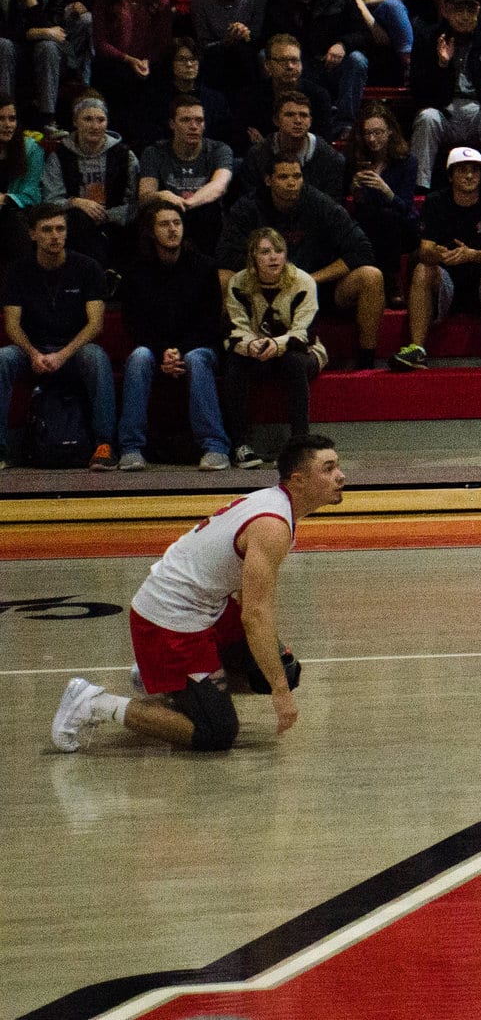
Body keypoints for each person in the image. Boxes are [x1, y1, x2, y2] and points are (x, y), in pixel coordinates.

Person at [49, 435, 345, 754]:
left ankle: (171, 683)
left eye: (337, 466)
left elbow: (248, 596)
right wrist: (280, 693)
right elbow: (255, 615)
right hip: (169, 617)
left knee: (284, 668)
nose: (340, 475)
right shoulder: (272, 525)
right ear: (298, 481)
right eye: (328, 469)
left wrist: (272, 669)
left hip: (208, 607)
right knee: (215, 733)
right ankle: (93, 703)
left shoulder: (276, 504)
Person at [217, 152, 386, 370]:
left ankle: (366, 363)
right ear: (268, 180)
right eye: (283, 177)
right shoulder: (247, 208)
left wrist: (307, 279)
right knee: (223, 277)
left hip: (317, 287)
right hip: (262, 290)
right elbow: (225, 255)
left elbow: (362, 250)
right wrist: (266, 274)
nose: (291, 183)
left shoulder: (319, 203)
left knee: (371, 276)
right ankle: (229, 353)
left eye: (296, 177)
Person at [395, 147, 481, 371]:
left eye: (474, 171)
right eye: (462, 171)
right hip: (446, 283)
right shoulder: (435, 202)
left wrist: (472, 254)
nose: (469, 176)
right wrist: (438, 254)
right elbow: (424, 249)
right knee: (423, 267)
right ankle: (417, 350)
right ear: (450, 176)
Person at [114, 199, 228, 470]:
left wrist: (180, 350)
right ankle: (130, 448)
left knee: (197, 360)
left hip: (199, 346)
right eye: (164, 224)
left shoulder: (204, 267)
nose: (173, 229)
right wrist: (163, 350)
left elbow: (211, 322)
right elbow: (135, 324)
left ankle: (215, 447)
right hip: (155, 349)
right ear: (151, 232)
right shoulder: (136, 271)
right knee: (139, 357)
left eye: (177, 223)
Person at [0, 203, 114, 469]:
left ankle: (104, 444)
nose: (55, 235)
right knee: (3, 358)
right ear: (32, 234)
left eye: (60, 229)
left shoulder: (88, 268)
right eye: (47, 229)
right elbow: (12, 325)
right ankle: (1, 449)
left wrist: (62, 355)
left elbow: (95, 324)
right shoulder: (18, 271)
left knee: (96, 357)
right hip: (33, 352)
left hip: (72, 352)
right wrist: (34, 354)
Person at [219, 225, 326, 458]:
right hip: (256, 351)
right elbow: (235, 329)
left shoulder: (303, 281)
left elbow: (305, 333)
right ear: (253, 258)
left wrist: (276, 345)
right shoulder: (238, 284)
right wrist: (250, 345)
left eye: (278, 251)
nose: (273, 257)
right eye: (265, 252)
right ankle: (239, 444)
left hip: (303, 351)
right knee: (235, 362)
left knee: (294, 361)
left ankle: (300, 445)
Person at [407, 0, 481, 186]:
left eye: (470, 10)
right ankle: (419, 187)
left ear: (478, 11)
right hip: (444, 111)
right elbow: (418, 91)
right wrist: (442, 64)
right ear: (446, 11)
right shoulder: (428, 38)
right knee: (426, 118)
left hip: (479, 108)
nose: (464, 16)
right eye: (458, 10)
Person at [262, 0, 368, 135]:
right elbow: (268, 40)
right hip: (299, 66)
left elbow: (361, 32)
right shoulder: (277, 3)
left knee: (357, 60)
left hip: (333, 64)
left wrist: (342, 44)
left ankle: (345, 124)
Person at [40, 93, 139, 267]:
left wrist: (106, 215)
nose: (94, 126)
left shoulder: (125, 156)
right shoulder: (60, 156)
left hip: (117, 221)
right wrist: (75, 202)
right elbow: (51, 200)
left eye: (100, 120)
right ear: (75, 122)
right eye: (87, 119)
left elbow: (135, 202)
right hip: (75, 224)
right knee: (78, 219)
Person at [1, 0, 87, 126]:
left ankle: (47, 119)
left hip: (51, 56)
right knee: (3, 45)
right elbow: (5, 30)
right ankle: (4, 112)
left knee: (47, 47)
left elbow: (55, 31)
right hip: (14, 51)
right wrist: (38, 32)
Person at [136, 96, 235, 252]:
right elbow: (144, 196)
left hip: (204, 218)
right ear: (172, 124)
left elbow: (219, 185)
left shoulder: (219, 150)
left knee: (209, 211)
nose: (193, 126)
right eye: (186, 120)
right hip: (168, 217)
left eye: (199, 120)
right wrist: (162, 195)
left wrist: (187, 204)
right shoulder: (154, 152)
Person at [343, 102, 419, 297]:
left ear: (390, 131)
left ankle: (391, 279)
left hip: (401, 224)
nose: (372, 138)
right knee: (373, 218)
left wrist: (386, 190)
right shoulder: (356, 159)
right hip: (369, 221)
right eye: (367, 133)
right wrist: (356, 190)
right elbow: (357, 206)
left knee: (388, 217)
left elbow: (405, 207)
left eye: (378, 132)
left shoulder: (407, 161)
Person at [93, 0, 177, 108]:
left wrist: (147, 61)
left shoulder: (160, 0)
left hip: (150, 67)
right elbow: (100, 43)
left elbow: (164, 42)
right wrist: (129, 60)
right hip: (114, 67)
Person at [236, 89, 345, 204]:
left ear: (310, 121)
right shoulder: (257, 155)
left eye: (303, 115)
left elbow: (333, 208)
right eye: (290, 115)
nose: (298, 121)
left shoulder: (331, 158)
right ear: (276, 120)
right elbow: (248, 203)